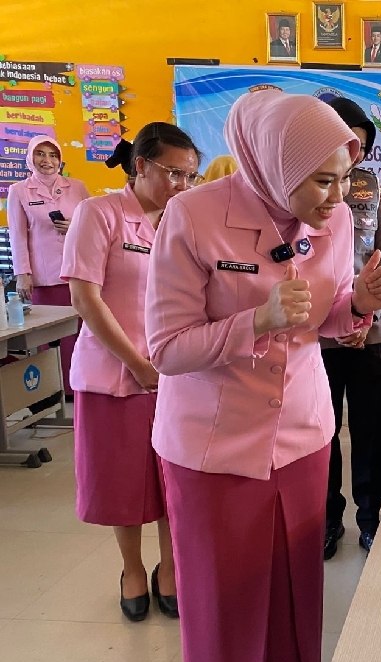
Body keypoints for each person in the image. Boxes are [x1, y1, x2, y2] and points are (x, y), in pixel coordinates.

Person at [146, 91, 381, 662]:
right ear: (276, 167)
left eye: (345, 178)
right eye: (322, 181)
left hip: (303, 439)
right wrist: (257, 318)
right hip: (215, 451)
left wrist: (359, 305)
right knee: (226, 605)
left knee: (294, 590)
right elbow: (167, 349)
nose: (338, 198)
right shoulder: (194, 215)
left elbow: (325, 316)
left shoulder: (333, 221)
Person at [61, 124, 203, 624]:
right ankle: (132, 570)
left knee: (171, 480)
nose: (181, 186)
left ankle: (170, 569)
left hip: (173, 375)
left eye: (189, 176)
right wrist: (138, 365)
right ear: (140, 165)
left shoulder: (180, 221)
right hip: (114, 374)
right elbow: (86, 299)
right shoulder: (99, 214)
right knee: (122, 482)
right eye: (172, 173)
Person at [321, 97, 381, 559]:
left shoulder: (371, 187)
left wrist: (365, 313)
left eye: (360, 147)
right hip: (318, 336)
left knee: (372, 430)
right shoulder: (298, 191)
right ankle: (328, 519)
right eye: (344, 143)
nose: (353, 155)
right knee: (321, 432)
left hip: (371, 334)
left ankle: (371, 518)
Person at [8, 135, 90, 396]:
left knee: (81, 332)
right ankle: (56, 390)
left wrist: (77, 227)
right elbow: (18, 235)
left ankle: (81, 385)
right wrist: (22, 273)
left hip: (80, 270)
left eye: (53, 154)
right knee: (50, 336)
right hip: (46, 275)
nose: (47, 160)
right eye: (41, 154)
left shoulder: (76, 187)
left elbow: (97, 225)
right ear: (30, 158)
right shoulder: (19, 190)